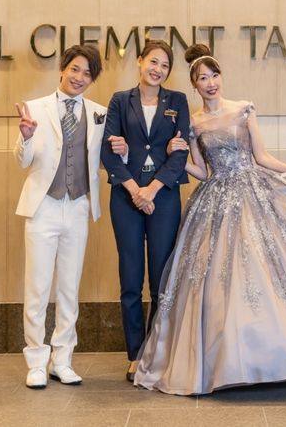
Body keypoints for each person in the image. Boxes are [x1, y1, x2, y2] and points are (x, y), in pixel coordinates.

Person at [134, 44, 286, 396]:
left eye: (214, 75)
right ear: (195, 85)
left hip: (252, 193)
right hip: (215, 200)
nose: (210, 82)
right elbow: (202, 172)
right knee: (217, 276)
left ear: (221, 77)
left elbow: (261, 157)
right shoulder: (194, 122)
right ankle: (226, 360)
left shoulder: (243, 109)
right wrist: (178, 155)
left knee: (265, 270)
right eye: (202, 78)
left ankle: (285, 356)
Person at [14, 45, 107, 389]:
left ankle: (62, 360)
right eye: (75, 69)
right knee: (37, 288)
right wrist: (25, 138)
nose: (80, 77)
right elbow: (23, 161)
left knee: (69, 288)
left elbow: (103, 159)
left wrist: (123, 151)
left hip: (78, 206)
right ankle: (36, 362)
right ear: (63, 68)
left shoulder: (99, 113)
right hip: (43, 207)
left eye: (87, 73)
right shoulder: (35, 108)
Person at [101, 40, 190, 382]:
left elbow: (180, 153)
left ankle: (158, 352)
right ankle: (136, 354)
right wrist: (135, 190)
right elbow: (109, 151)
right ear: (139, 61)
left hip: (163, 197)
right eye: (153, 62)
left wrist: (151, 190)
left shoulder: (177, 101)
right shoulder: (120, 101)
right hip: (126, 198)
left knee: (161, 279)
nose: (158, 69)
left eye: (165, 65)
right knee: (130, 278)